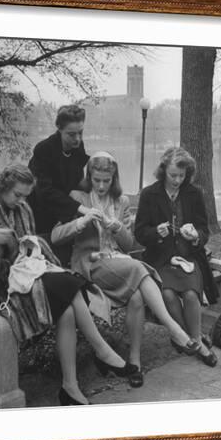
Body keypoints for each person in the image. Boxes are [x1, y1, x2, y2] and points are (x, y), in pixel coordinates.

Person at [0, 163, 134, 406]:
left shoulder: (22, 208)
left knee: (66, 307)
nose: (22, 200)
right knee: (68, 284)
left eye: (25, 195)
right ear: (2, 186)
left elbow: (29, 246)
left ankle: (70, 386)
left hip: (25, 277)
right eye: (18, 194)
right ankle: (102, 351)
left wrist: (30, 246)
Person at [51, 152, 201, 388]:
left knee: (138, 296)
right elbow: (55, 236)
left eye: (106, 180)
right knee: (136, 267)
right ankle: (174, 329)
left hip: (118, 266)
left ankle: (134, 362)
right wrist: (80, 222)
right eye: (96, 179)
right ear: (89, 176)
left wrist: (118, 227)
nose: (101, 186)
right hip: (89, 265)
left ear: (114, 178)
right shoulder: (77, 197)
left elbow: (129, 244)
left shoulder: (121, 202)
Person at [134, 147, 219, 367]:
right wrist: (155, 233)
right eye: (173, 175)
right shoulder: (149, 194)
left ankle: (193, 340)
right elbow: (140, 233)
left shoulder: (194, 193)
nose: (177, 180)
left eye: (182, 176)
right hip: (160, 259)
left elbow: (204, 230)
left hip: (189, 258)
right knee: (169, 295)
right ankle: (196, 342)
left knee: (191, 295)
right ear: (163, 171)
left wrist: (195, 236)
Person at [28, 105, 99, 265]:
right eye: (71, 134)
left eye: (80, 133)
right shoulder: (44, 150)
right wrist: (79, 208)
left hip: (65, 214)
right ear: (59, 129)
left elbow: (77, 180)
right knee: (48, 259)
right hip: (41, 214)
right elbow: (45, 191)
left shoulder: (77, 146)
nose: (77, 139)